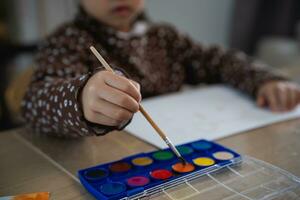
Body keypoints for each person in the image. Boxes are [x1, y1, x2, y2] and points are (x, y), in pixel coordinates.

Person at [22, 0, 300, 137]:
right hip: (108, 162)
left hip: (174, 149)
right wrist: (80, 98)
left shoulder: (164, 37)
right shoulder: (68, 41)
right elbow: (34, 103)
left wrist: (263, 79)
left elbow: (219, 60)